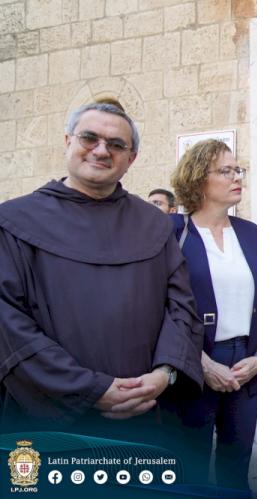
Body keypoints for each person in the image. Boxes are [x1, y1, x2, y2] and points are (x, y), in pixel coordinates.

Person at [0, 102, 203, 437]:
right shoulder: (14, 221)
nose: (101, 150)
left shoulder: (153, 223)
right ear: (68, 141)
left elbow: (181, 306)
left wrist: (164, 373)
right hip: (47, 418)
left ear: (131, 158)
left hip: (145, 409)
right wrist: (88, 389)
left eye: (116, 144)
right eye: (89, 138)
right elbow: (8, 323)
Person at [170, 139, 257, 494]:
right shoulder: (174, 232)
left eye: (238, 170)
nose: (237, 177)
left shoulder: (251, 233)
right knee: (190, 466)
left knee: (237, 465)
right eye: (226, 171)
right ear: (199, 179)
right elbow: (162, 308)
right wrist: (202, 364)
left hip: (245, 360)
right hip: (192, 362)